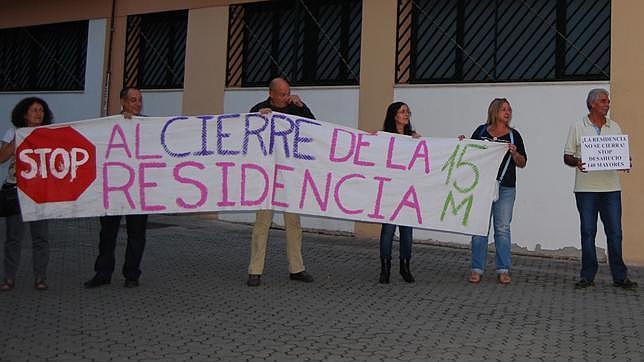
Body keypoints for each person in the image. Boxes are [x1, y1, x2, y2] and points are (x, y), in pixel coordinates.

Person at [563, 88, 637, 290]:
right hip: (585, 189)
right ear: (592, 104)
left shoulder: (615, 127)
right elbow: (567, 156)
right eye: (604, 101)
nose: (608, 104)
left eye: (608, 101)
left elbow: (619, 152)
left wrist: (624, 161)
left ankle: (620, 276)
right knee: (588, 232)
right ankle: (587, 276)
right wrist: (577, 161)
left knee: (615, 233)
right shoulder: (578, 126)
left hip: (611, 188)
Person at [246, 77, 315, 287]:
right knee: (262, 223)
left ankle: (297, 268)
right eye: (282, 94)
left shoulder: (297, 108)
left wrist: (302, 107)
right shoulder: (259, 110)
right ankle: (255, 270)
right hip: (266, 176)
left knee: (293, 224)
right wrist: (257, 119)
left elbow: (315, 128)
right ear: (271, 94)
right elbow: (247, 134)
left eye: (288, 92)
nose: (286, 97)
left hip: (290, 177)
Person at [84, 87, 149, 289]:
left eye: (139, 100)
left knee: (136, 235)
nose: (137, 104)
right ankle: (103, 273)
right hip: (112, 190)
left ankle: (131, 274)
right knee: (107, 234)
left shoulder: (149, 126)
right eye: (132, 100)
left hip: (138, 191)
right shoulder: (109, 125)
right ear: (122, 102)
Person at [468, 98, 527, 285]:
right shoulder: (481, 131)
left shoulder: (514, 135)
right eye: (503, 109)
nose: (507, 112)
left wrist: (514, 153)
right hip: (482, 186)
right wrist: (462, 142)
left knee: (502, 229)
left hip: (506, 187)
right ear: (494, 111)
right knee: (479, 228)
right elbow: (469, 153)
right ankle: (477, 268)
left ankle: (503, 269)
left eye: (509, 109)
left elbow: (523, 162)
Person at [0, 97, 52, 291]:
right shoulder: (12, 133)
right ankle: (9, 278)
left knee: (41, 237)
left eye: (41, 110)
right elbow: (1, 158)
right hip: (16, 192)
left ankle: (40, 277)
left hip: (39, 192)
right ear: (24, 114)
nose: (38, 114)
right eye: (34, 110)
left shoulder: (48, 134)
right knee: (14, 237)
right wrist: (18, 138)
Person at [378, 102, 421, 284]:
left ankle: (405, 267)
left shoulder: (413, 137)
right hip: (389, 190)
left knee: (407, 231)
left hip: (407, 191)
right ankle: (385, 268)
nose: (406, 115)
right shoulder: (385, 137)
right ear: (393, 115)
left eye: (407, 112)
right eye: (402, 111)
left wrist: (420, 142)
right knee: (387, 230)